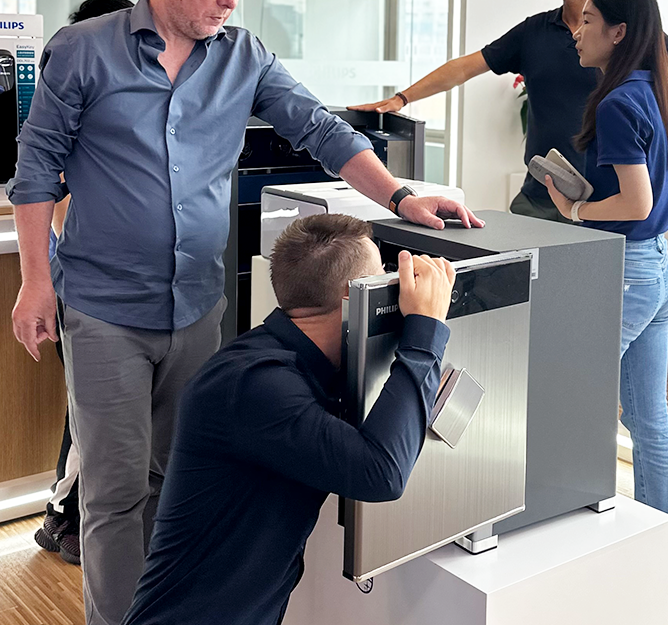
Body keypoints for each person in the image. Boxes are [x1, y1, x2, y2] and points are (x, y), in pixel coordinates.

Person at [6, 0, 480, 625]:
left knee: (180, 482)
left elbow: (319, 129)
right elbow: (37, 169)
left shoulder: (245, 56)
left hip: (196, 306)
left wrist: (400, 194)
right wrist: (35, 283)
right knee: (113, 493)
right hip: (103, 311)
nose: (231, 0)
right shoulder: (83, 50)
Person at [122, 214, 455, 625]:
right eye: (382, 277)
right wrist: (425, 331)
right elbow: (380, 472)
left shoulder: (302, 368)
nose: (391, 283)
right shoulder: (251, 385)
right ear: (357, 300)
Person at [350, 0, 668, 223]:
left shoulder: (627, 34)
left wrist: (650, 133)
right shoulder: (535, 31)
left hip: (600, 202)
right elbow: (465, 68)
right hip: (541, 196)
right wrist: (401, 99)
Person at [543, 0, 668, 535]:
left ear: (618, 32)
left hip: (628, 271)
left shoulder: (618, 101)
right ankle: (664, 530)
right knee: (649, 418)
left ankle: (564, 516)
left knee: (572, 389)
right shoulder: (658, 90)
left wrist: (574, 211)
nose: (577, 32)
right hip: (657, 268)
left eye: (587, 22)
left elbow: (635, 200)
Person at [34, 0, 135, 565]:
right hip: (82, 287)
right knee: (87, 418)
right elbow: (57, 205)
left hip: (116, 291)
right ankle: (60, 518)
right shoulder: (74, 98)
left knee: (105, 420)